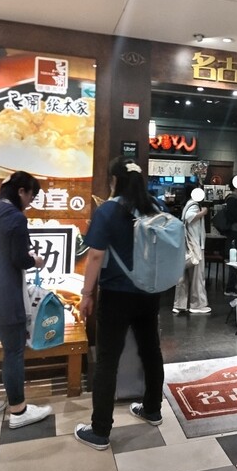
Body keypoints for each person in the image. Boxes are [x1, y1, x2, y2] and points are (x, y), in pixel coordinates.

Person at [74, 156, 165, 451]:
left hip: (116, 295)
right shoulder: (155, 207)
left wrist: (87, 294)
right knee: (151, 351)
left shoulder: (108, 210)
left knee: (108, 361)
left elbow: (95, 256)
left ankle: (100, 431)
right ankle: (152, 409)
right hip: (149, 293)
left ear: (113, 180)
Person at [0, 171, 52, 428]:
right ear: (21, 191)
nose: (30, 203)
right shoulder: (15, 218)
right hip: (4, 295)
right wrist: (36, 260)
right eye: (31, 197)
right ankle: (18, 411)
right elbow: (19, 259)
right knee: (13, 351)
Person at [172, 183, 211, 314]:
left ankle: (179, 304)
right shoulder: (194, 205)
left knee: (182, 277)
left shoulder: (187, 204)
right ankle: (197, 304)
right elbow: (190, 217)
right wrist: (203, 212)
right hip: (195, 245)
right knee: (197, 277)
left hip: (186, 245)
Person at [223, 180, 237, 296]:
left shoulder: (230, 199)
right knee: (236, 260)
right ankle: (230, 288)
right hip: (235, 232)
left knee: (235, 259)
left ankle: (231, 287)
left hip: (232, 232)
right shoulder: (233, 200)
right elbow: (235, 216)